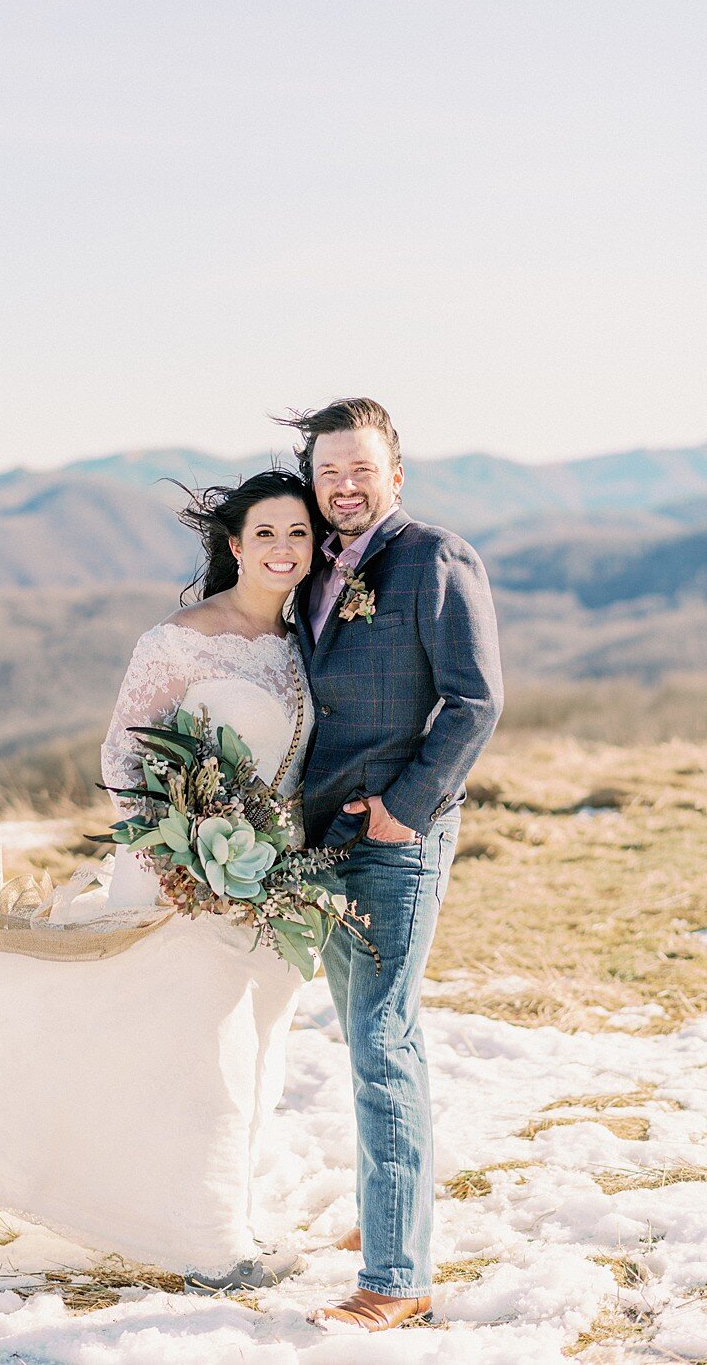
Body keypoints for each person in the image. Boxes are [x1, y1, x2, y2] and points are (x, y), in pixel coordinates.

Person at [0, 469, 316, 1293]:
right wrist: (178, 856)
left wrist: (276, 862)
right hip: (180, 883)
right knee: (193, 1057)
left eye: (299, 534)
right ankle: (211, 1243)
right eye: (266, 534)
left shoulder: (303, 644)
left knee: (256, 1047)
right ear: (233, 545)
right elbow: (124, 757)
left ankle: (228, 1207)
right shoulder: (179, 640)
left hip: (272, 884)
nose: (284, 550)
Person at [280, 398, 503, 1333]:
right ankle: (390, 1217)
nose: (344, 486)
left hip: (394, 841)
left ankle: (397, 1276)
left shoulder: (434, 557)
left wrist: (405, 814)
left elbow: (475, 701)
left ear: (395, 475)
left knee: (383, 1046)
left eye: (361, 470)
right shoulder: (311, 568)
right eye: (329, 472)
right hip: (316, 842)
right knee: (362, 1038)